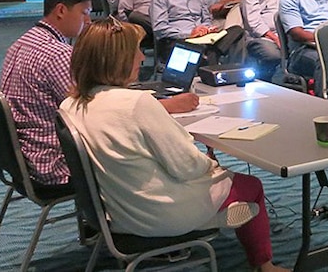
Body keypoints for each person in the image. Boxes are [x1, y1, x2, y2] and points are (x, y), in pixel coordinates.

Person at [58, 19, 289, 272]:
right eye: (134, 51)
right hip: (159, 214)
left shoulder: (70, 105)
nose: (141, 58)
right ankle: (265, 266)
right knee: (251, 186)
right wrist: (210, 165)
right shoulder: (136, 103)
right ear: (117, 59)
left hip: (116, 211)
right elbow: (187, 166)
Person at [1, 0, 197, 186]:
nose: (88, 21)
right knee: (145, 156)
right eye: (84, 13)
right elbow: (96, 112)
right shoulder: (57, 55)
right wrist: (165, 105)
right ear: (60, 11)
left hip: (25, 156)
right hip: (57, 162)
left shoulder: (22, 43)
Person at [243, 0, 290, 80]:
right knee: (274, 54)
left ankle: (289, 82)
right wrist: (275, 38)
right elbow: (253, 23)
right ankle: (274, 82)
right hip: (262, 38)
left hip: (286, 36)